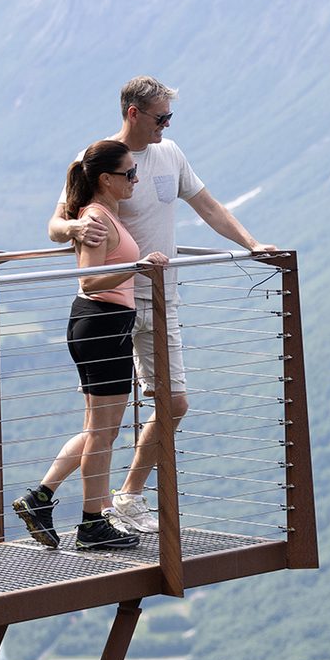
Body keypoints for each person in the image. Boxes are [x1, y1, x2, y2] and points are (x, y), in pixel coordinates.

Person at [47, 76, 274, 534]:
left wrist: (251, 244)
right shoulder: (100, 159)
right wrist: (72, 231)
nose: (166, 126)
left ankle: (122, 497)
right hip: (112, 302)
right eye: (160, 117)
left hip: (160, 297)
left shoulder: (171, 155)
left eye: (169, 117)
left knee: (173, 403)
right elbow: (57, 222)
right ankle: (64, 504)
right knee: (103, 422)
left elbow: (208, 206)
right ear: (133, 112)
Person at [14, 139, 171, 551]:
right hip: (102, 323)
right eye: (129, 174)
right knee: (103, 433)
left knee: (98, 430)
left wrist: (135, 264)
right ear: (106, 179)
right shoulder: (97, 218)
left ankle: (41, 498)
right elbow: (88, 279)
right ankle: (90, 526)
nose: (135, 180)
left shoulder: (101, 213)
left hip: (100, 325)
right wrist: (135, 268)